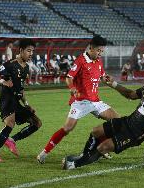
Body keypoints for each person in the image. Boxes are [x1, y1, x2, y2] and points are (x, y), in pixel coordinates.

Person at [62, 67, 144, 170]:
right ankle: (86, 156)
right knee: (95, 132)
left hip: (134, 134)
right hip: (126, 122)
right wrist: (113, 84)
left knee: (103, 147)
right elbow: (130, 94)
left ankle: (74, 165)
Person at [37, 35, 120, 163]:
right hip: (81, 101)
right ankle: (44, 153)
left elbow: (102, 76)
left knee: (117, 120)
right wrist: (72, 87)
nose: (100, 54)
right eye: (99, 51)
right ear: (91, 48)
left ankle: (100, 148)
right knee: (68, 128)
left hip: (95, 101)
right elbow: (69, 77)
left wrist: (106, 79)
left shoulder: (98, 61)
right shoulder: (81, 60)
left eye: (102, 51)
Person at [0, 39, 42, 162]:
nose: (31, 53)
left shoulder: (26, 67)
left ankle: (11, 140)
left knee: (37, 123)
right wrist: (3, 82)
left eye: (33, 51)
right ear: (21, 50)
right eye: (28, 50)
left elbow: (21, 89)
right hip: (6, 99)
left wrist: (27, 104)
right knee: (10, 123)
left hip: (16, 101)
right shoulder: (10, 64)